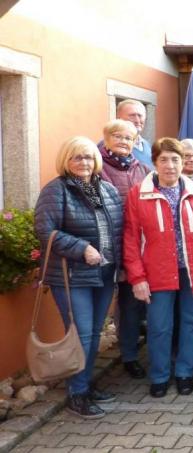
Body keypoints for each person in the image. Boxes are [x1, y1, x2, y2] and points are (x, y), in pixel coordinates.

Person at [124, 137, 193, 397]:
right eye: (164, 160)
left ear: (184, 162)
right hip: (157, 272)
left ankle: (185, 373)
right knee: (159, 326)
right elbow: (131, 240)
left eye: (175, 159)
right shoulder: (139, 194)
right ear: (154, 162)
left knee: (191, 323)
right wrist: (137, 278)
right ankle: (159, 375)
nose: (170, 165)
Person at [34, 137, 123, 419]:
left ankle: (84, 384)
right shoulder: (56, 190)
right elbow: (46, 231)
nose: (83, 162)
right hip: (72, 275)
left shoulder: (106, 189)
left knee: (94, 333)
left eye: (87, 157)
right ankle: (77, 393)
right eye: (76, 157)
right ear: (66, 161)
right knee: (81, 335)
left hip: (105, 273)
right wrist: (81, 248)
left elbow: (119, 230)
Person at [97, 120, 148, 380]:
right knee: (101, 305)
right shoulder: (94, 168)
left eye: (128, 138)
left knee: (130, 305)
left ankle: (129, 355)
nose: (123, 141)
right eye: (117, 136)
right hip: (103, 249)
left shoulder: (143, 169)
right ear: (106, 139)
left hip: (135, 248)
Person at [115, 99, 154, 171]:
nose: (137, 120)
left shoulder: (148, 146)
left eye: (140, 116)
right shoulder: (109, 145)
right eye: (132, 115)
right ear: (119, 118)